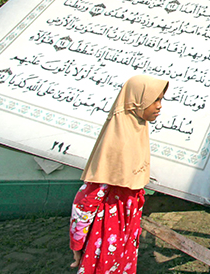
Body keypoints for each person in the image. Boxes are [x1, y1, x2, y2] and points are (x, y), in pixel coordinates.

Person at [69, 74, 168, 274]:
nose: (159, 106)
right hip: (107, 230)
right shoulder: (117, 142)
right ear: (137, 101)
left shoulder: (137, 130)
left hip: (126, 230)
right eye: (154, 100)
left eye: (160, 100)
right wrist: (78, 243)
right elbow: (88, 197)